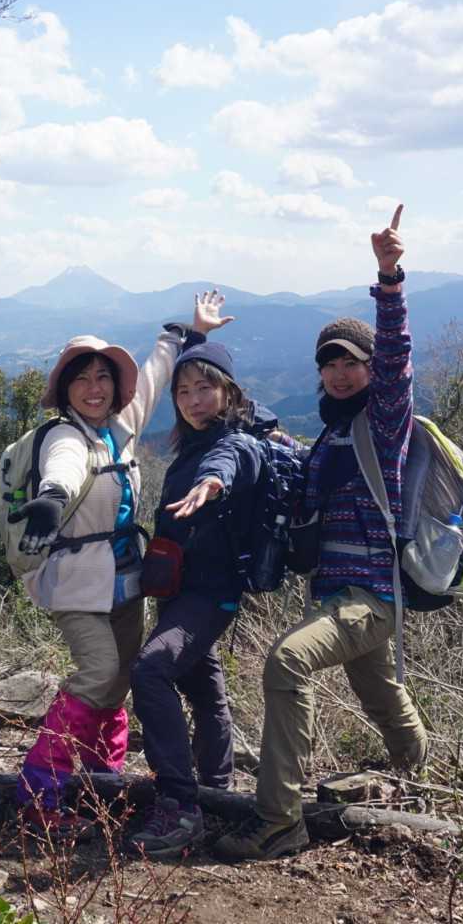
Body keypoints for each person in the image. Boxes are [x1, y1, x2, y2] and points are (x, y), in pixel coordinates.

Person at [213, 207, 428, 862]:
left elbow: (397, 360)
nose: (338, 372)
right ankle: (422, 776)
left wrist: (389, 279)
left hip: (371, 598)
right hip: (338, 596)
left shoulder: (384, 425)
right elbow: (300, 466)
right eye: (328, 363)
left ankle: (280, 819)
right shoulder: (333, 438)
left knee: (287, 660)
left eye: (351, 362)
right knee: (380, 693)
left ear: (370, 368)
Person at [14, 291, 232, 837]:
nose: (94, 388)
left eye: (103, 378)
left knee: (118, 682)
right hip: (76, 583)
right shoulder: (65, 436)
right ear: (65, 390)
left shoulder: (119, 427)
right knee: (97, 674)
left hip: (125, 582)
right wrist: (52, 496)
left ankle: (99, 782)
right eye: (82, 379)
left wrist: (189, 335)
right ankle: (39, 796)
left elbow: (155, 378)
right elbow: (63, 467)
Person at [127, 327, 283, 858]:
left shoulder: (236, 443)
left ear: (229, 392)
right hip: (182, 591)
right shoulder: (196, 440)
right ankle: (216, 788)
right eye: (183, 391)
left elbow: (229, 463)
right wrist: (196, 335)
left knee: (151, 670)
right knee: (203, 687)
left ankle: (179, 805)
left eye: (205, 389)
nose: (194, 401)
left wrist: (210, 484)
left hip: (208, 594)